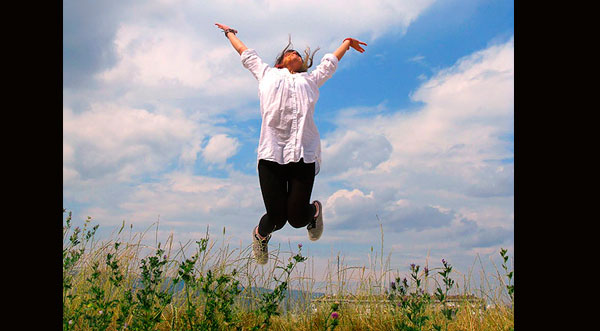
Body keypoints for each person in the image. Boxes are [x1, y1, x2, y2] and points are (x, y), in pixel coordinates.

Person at [215, 23, 367, 264]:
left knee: (297, 219)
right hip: (271, 154)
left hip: (304, 154)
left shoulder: (310, 79)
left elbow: (329, 64)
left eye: (297, 53)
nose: (294, 54)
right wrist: (229, 33)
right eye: (289, 53)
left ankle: (313, 211)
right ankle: (260, 235)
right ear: (279, 63)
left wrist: (346, 43)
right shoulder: (267, 73)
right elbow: (246, 53)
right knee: (276, 218)